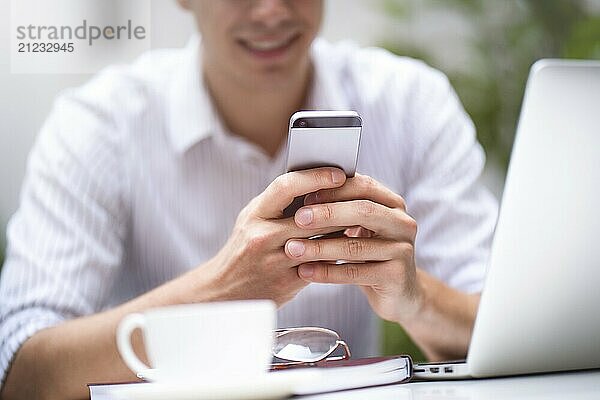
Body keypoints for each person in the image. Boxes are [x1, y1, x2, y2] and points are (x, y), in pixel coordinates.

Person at [0, 1, 498, 399]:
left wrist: (415, 298)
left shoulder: (412, 102)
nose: (270, 11)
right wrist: (221, 289)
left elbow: (500, 331)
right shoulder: (99, 126)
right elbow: (21, 372)